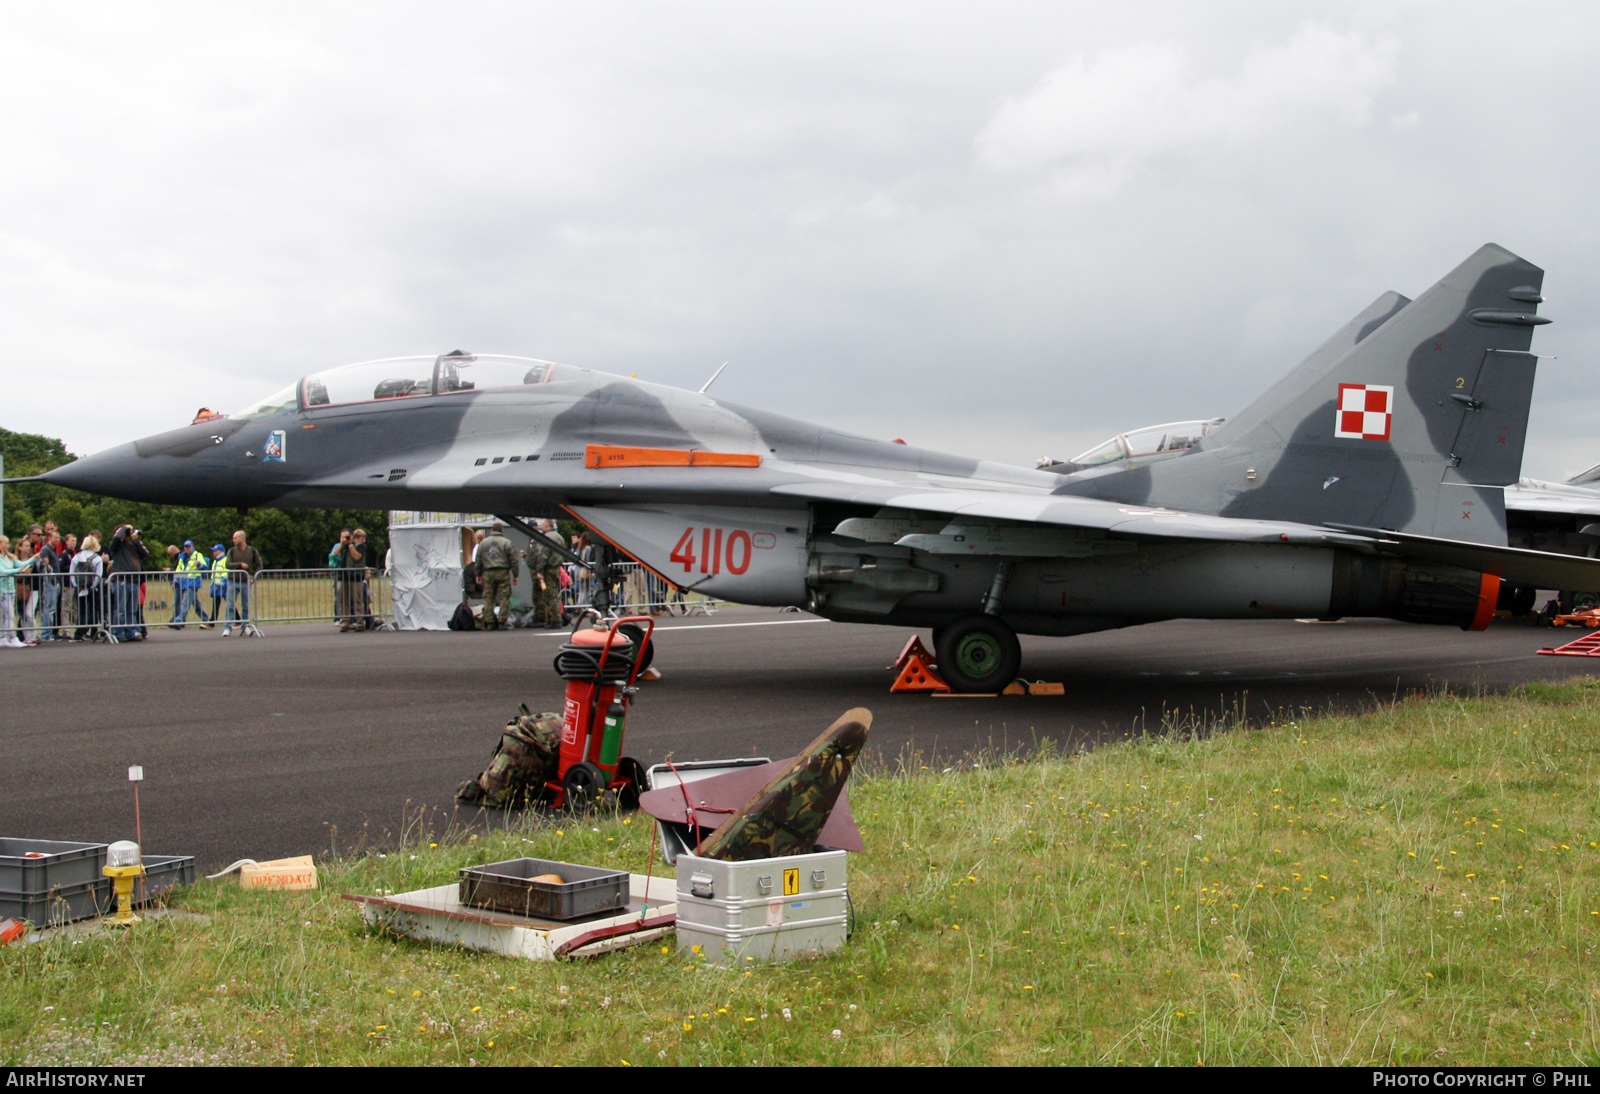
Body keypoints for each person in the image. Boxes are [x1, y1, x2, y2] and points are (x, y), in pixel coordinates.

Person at [105, 525, 149, 642]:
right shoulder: (116, 546)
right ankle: (117, 632)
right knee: (121, 609)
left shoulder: (131, 546)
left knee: (132, 609)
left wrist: (136, 540)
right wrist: (124, 528)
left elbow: (145, 554)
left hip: (134, 581)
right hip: (121, 580)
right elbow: (116, 539)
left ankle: (131, 632)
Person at [0, 535, 44, 648]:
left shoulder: (9, 557)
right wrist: (18, 571)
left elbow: (21, 564)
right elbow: (3, 571)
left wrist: (33, 558)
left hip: (10, 590)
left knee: (7, 615)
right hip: (3, 590)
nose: (8, 545)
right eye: (5, 543)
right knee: (9, 615)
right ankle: (12, 637)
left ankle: (3, 637)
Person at [475, 522, 519, 630]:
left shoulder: (483, 543)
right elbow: (514, 560)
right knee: (504, 597)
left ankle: (489, 622)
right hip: (503, 572)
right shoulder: (507, 543)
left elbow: (478, 559)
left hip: (488, 572)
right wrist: (515, 574)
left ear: (491, 530)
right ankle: (502, 621)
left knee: (489, 597)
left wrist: (478, 574)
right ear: (502, 530)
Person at [223, 530, 263, 637]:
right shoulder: (231, 551)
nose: (233, 540)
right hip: (233, 581)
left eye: (235, 538)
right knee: (230, 604)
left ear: (242, 538)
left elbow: (259, 564)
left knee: (246, 605)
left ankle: (245, 626)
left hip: (245, 582)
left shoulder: (252, 551)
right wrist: (240, 564)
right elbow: (228, 564)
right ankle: (227, 627)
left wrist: (254, 578)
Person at [530, 519, 565, 627]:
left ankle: (556, 619)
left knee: (550, 595)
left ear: (545, 526)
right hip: (556, 568)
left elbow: (543, 555)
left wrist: (539, 570)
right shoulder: (560, 537)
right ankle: (553, 618)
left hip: (548, 569)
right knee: (554, 593)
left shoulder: (546, 538)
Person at [170, 540, 210, 628]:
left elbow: (205, 567)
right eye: (186, 547)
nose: (187, 548)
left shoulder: (197, 555)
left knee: (185, 603)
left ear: (193, 547)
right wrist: (175, 579)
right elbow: (179, 568)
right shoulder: (182, 556)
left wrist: (199, 564)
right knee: (195, 603)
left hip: (193, 582)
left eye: (189, 546)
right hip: (182, 582)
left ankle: (178, 621)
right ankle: (206, 619)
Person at [71, 534, 104, 642]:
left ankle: (80, 632)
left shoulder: (77, 556)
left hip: (80, 588)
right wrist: (92, 586)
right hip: (92, 588)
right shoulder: (97, 558)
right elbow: (99, 575)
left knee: (81, 610)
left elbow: (71, 573)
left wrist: (77, 585)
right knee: (93, 610)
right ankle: (94, 632)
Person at [206, 544, 228, 627]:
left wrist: (221, 583)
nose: (213, 553)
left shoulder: (225, 560)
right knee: (216, 604)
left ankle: (212, 622)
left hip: (223, 586)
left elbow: (226, 573)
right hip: (216, 585)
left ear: (220, 551)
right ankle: (212, 622)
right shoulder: (216, 561)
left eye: (215, 551)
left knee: (229, 603)